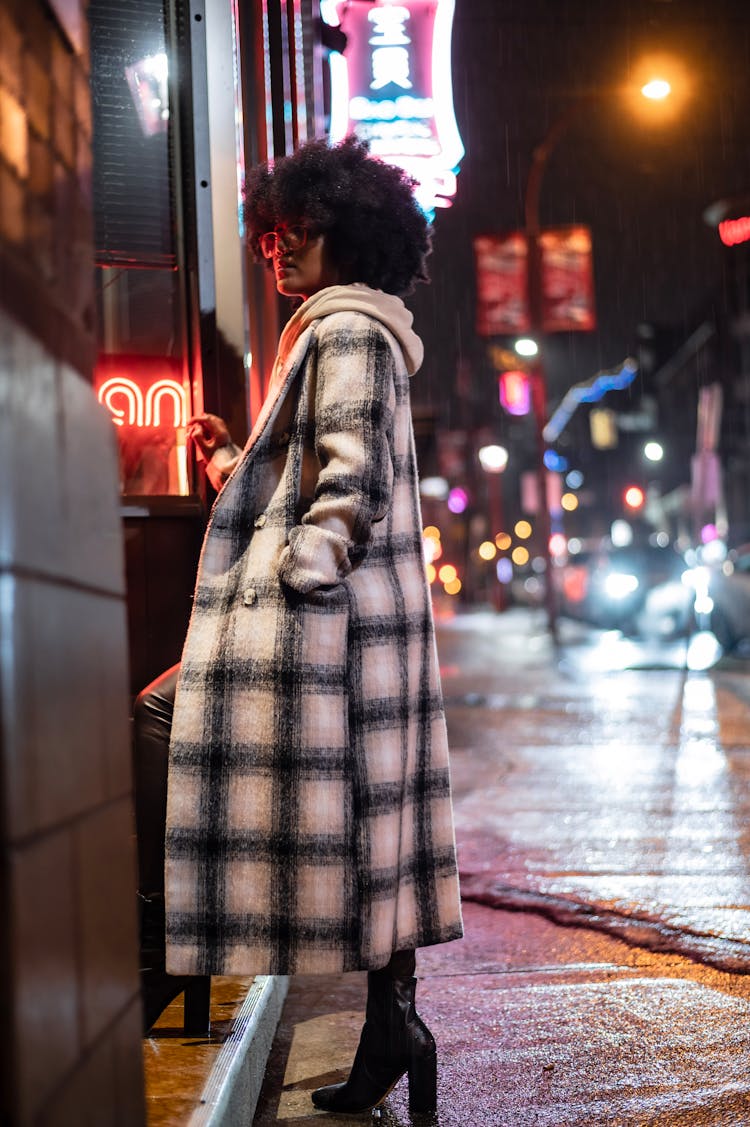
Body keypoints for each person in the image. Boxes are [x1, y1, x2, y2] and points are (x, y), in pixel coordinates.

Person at [135, 136, 463, 1114]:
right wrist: (237, 456)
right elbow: (324, 467)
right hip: (364, 632)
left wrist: (299, 573)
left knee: (163, 721)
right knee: (374, 824)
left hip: (325, 625)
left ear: (348, 235)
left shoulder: (347, 330)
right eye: (271, 232)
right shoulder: (350, 330)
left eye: (302, 232)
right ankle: (390, 1019)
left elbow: (349, 480)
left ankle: (164, 961)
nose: (278, 248)